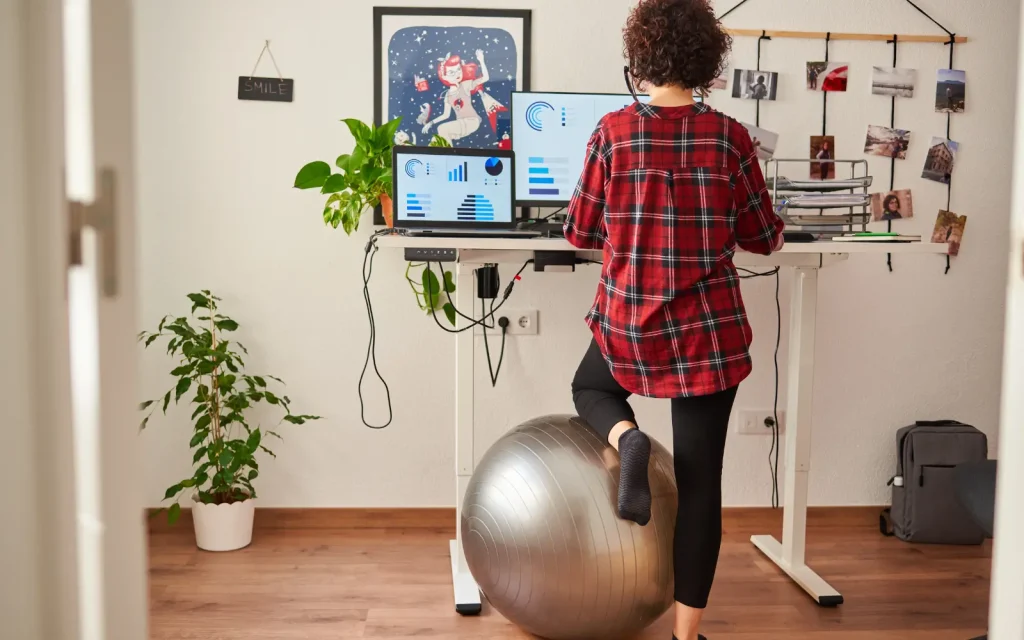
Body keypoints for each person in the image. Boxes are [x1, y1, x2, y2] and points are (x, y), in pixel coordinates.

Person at [562, 1, 784, 639]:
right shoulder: (730, 138)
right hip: (707, 334)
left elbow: (579, 232)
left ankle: (625, 436)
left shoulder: (612, 133)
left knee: (592, 388)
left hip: (630, 323)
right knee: (700, 485)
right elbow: (763, 237)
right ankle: (686, 637)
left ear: (642, 58)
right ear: (707, 62)